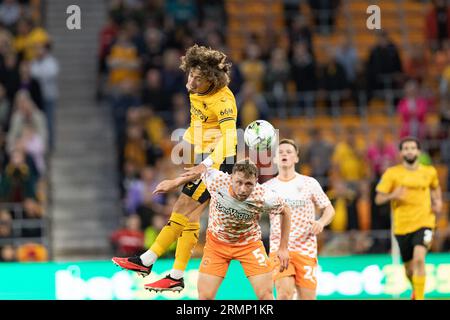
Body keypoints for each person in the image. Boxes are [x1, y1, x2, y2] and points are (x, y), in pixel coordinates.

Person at [112, 44, 238, 292]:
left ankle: (147, 261)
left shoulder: (223, 100)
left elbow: (230, 139)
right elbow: (197, 126)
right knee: (189, 216)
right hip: (201, 158)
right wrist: (187, 153)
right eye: (190, 74)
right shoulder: (196, 90)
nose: (191, 80)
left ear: (210, 80)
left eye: (197, 78)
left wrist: (204, 166)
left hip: (220, 164)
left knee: (181, 207)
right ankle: (176, 276)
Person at [152, 159, 291, 298]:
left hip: (249, 244)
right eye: (239, 182)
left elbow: (286, 211)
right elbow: (199, 172)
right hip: (217, 244)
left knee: (266, 295)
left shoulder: (264, 196)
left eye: (249, 184)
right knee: (204, 296)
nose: (243, 189)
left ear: (256, 182)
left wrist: (283, 247)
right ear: (231, 177)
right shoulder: (217, 180)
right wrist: (174, 183)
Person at [264, 139, 335, 300]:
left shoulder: (309, 183)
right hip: (280, 249)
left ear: (296, 158)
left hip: (306, 248)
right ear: (274, 159)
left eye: (289, 152)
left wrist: (321, 222)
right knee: (284, 294)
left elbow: (329, 209)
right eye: (280, 152)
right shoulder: (267, 188)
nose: (284, 154)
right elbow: (254, 213)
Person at [375, 137, 443, 300]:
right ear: (401, 153)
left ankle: (419, 297)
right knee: (409, 269)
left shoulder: (429, 171)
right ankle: (416, 290)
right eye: (406, 148)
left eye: (413, 148)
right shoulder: (393, 173)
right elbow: (378, 199)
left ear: (418, 151)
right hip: (402, 226)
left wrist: (438, 201)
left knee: (419, 259)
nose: (410, 151)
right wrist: (393, 195)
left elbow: (435, 188)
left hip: (425, 222)